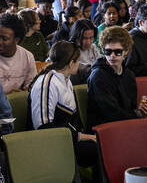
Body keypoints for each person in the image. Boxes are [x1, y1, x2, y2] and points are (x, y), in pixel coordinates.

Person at [30, 41, 98, 171]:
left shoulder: (66, 80)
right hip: (50, 143)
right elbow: (44, 128)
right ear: (71, 63)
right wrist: (83, 137)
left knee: (103, 143)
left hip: (66, 137)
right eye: (78, 61)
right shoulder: (48, 83)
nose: (80, 64)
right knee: (97, 149)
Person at [87, 26, 147, 129]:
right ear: (103, 50)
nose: (112, 56)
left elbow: (131, 107)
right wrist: (137, 115)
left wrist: (140, 111)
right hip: (106, 128)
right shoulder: (98, 76)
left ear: (126, 51)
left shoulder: (129, 74)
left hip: (125, 125)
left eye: (117, 52)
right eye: (108, 52)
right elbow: (111, 113)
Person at [0, 13, 36, 93]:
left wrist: (18, 94)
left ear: (16, 40)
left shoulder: (27, 57)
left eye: (4, 38)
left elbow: (31, 87)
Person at [71, 19, 100, 83]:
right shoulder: (69, 50)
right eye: (84, 38)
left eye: (91, 38)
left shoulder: (93, 47)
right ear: (76, 37)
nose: (88, 42)